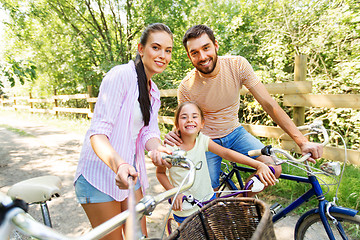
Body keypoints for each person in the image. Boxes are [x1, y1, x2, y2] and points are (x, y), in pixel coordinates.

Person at [164, 24, 323, 192]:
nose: (202, 56)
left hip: (235, 133)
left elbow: (269, 104)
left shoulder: (237, 65)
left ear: (216, 45)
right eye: (194, 53)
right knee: (207, 193)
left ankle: (243, 204)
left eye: (206, 48)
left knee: (274, 167)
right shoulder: (186, 86)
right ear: (189, 56)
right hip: (206, 141)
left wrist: (301, 141)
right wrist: (175, 140)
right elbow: (185, 125)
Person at [74, 23, 173, 240]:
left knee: (140, 237)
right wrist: (119, 165)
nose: (162, 55)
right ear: (140, 48)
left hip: (130, 174)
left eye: (168, 50)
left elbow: (149, 132)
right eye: (156, 47)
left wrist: (158, 150)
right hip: (99, 175)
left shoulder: (153, 90)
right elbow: (98, 132)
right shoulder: (120, 75)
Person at [154, 101, 277, 224]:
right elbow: (160, 173)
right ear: (177, 124)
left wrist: (259, 164)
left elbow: (226, 153)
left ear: (202, 123)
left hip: (208, 201)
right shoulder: (169, 148)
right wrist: (173, 193)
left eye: (194, 116)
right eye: (184, 117)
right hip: (184, 207)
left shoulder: (202, 140)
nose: (189, 120)